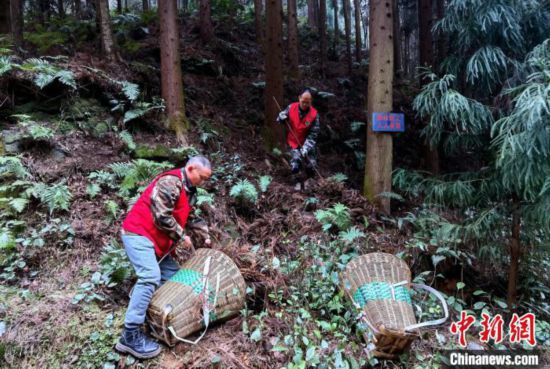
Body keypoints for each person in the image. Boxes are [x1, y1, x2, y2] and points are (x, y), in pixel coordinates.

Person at [115, 156, 212, 359]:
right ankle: (129, 336)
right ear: (191, 168)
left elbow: (191, 218)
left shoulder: (189, 192)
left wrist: (207, 237)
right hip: (138, 234)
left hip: (155, 244)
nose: (203, 183)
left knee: (177, 279)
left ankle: (154, 317)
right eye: (201, 178)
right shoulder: (170, 182)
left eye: (206, 180)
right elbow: (161, 216)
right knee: (150, 276)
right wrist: (181, 235)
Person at [276, 89, 320, 185]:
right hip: (293, 142)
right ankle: (296, 184)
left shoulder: (314, 115)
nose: (304, 104)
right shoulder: (291, 107)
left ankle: (310, 182)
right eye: (303, 102)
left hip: (307, 144)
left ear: (311, 101)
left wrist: (305, 148)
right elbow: (280, 119)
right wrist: (281, 117)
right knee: (295, 163)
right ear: (299, 98)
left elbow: (313, 135)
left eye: (307, 103)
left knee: (311, 165)